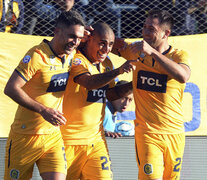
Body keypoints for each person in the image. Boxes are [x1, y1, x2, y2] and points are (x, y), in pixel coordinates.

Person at [4, 10, 85, 180]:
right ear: (57, 31)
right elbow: (11, 88)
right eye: (72, 36)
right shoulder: (37, 55)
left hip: (52, 136)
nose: (76, 42)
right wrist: (43, 110)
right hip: (24, 137)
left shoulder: (72, 55)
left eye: (79, 37)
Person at [114, 9, 191, 180]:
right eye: (144, 27)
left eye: (152, 29)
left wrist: (152, 52)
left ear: (166, 33)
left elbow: (183, 76)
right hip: (147, 133)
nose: (145, 32)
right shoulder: (136, 50)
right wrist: (89, 35)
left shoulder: (178, 55)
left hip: (175, 133)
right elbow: (108, 43)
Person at [60, 22, 136, 180]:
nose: (106, 49)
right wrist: (119, 71)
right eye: (102, 43)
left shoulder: (106, 64)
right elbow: (89, 83)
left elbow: (110, 95)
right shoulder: (76, 59)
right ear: (89, 40)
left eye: (110, 45)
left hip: (96, 140)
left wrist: (134, 85)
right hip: (68, 140)